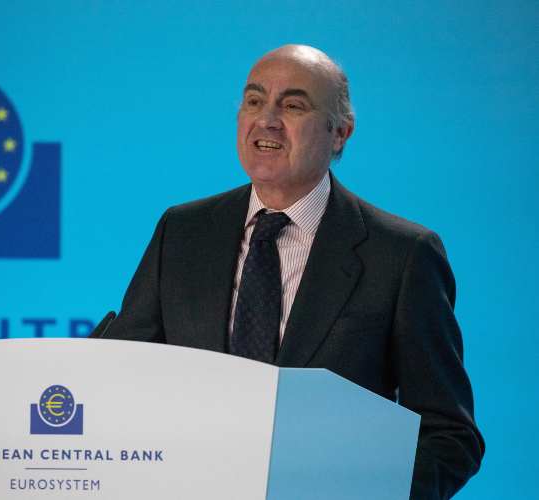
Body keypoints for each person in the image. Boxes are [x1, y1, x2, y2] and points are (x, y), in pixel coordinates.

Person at [101, 44, 484, 499]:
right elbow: (118, 380)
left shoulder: (402, 255)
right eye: (254, 100)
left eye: (293, 105)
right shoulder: (182, 232)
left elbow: (449, 435)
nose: (267, 119)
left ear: (340, 133)